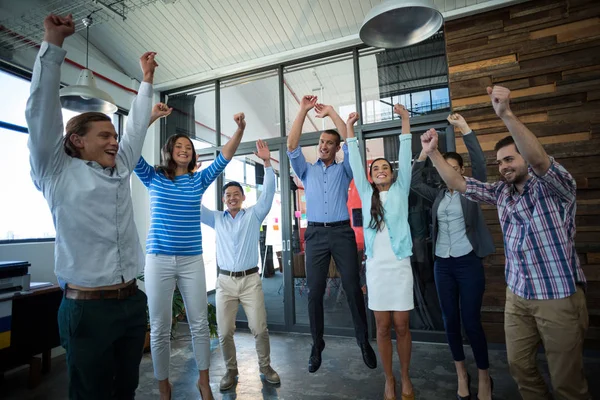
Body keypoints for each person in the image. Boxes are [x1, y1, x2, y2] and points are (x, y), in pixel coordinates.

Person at [420, 86, 589, 400]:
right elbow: (458, 182)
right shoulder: (500, 193)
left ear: (524, 156)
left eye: (509, 159)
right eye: (500, 162)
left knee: (567, 382)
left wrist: (506, 115)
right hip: (518, 296)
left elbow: (540, 162)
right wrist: (432, 153)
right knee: (521, 370)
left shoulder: (555, 187)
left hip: (557, 295)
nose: (504, 166)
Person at [26, 13, 156, 400]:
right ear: (78, 140)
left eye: (114, 136)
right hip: (87, 311)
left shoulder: (119, 169)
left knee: (126, 390)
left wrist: (146, 79)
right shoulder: (55, 171)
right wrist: (53, 44)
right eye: (105, 136)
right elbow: (40, 113)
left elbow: (136, 127)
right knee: (91, 394)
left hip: (131, 302)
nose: (115, 142)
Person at [133, 112, 246, 400]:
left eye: (189, 147)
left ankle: (204, 382)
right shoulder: (154, 176)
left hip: (191, 259)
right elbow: (130, 148)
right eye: (179, 146)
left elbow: (225, 156)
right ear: (169, 151)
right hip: (158, 259)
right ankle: (163, 387)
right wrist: (147, 118)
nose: (184, 150)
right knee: (159, 327)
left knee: (199, 323)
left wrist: (240, 129)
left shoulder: (198, 181)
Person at [286, 96, 376, 373]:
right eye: (321, 142)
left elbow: (351, 144)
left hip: (341, 233)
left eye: (329, 143)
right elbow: (291, 145)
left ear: (336, 148)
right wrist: (302, 110)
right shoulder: (306, 170)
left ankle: (362, 340)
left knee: (351, 287)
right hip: (314, 235)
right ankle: (317, 344)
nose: (324, 146)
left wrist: (334, 114)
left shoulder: (344, 170)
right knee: (314, 292)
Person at [411, 114, 494, 400]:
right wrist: (425, 151)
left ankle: (484, 376)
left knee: (471, 321)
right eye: (448, 168)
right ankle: (462, 373)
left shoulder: (472, 192)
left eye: (456, 168)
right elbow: (413, 179)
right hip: (442, 265)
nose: (452, 172)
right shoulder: (436, 196)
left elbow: (480, 163)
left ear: (462, 171)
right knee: (449, 322)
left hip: (468, 261)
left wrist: (465, 129)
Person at [346, 105, 415, 400]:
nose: (380, 170)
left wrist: (405, 120)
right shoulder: (366, 192)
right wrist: (349, 127)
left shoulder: (401, 190)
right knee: (383, 327)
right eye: (376, 168)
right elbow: (355, 164)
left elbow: (405, 150)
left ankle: (406, 377)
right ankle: (389, 380)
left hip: (400, 266)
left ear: (392, 172)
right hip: (376, 268)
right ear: (372, 177)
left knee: (402, 325)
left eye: (384, 167)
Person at [200, 140, 280, 391]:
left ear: (243, 197)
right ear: (224, 199)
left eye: (236, 194)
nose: (232, 198)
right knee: (224, 332)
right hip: (224, 282)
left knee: (259, 328)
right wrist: (194, 177)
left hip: (249, 281)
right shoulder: (216, 218)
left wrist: (267, 163)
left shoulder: (254, 214)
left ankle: (265, 367)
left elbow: (267, 195)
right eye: (228, 195)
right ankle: (230, 371)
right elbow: (194, 205)